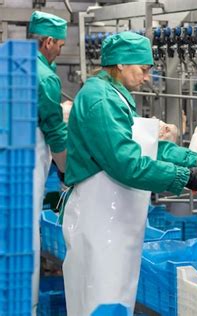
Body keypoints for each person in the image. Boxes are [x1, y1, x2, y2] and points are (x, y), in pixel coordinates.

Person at [61, 32, 197, 315]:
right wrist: (185, 177)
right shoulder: (101, 100)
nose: (147, 77)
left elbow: (145, 146)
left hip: (113, 222)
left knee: (115, 298)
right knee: (102, 302)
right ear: (121, 63)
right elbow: (127, 164)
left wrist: (194, 159)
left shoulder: (114, 95)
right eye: (143, 69)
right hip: (101, 223)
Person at [28, 11, 68, 314]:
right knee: (27, 234)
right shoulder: (45, 77)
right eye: (59, 45)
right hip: (29, 163)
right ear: (48, 41)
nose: (60, 51)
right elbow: (54, 130)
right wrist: (68, 170)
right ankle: (27, 305)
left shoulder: (12, 67)